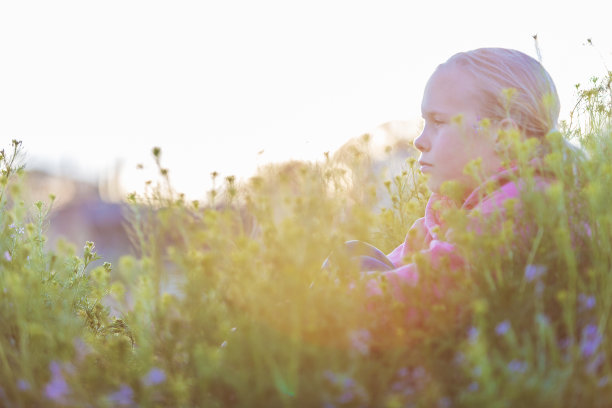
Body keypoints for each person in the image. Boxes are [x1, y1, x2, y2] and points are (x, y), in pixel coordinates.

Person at [338, 47, 566, 301]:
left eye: (438, 122)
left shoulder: (523, 201)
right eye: (424, 123)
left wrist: (334, 305)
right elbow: (399, 265)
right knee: (350, 256)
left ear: (504, 137)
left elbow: (438, 284)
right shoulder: (448, 209)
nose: (419, 141)